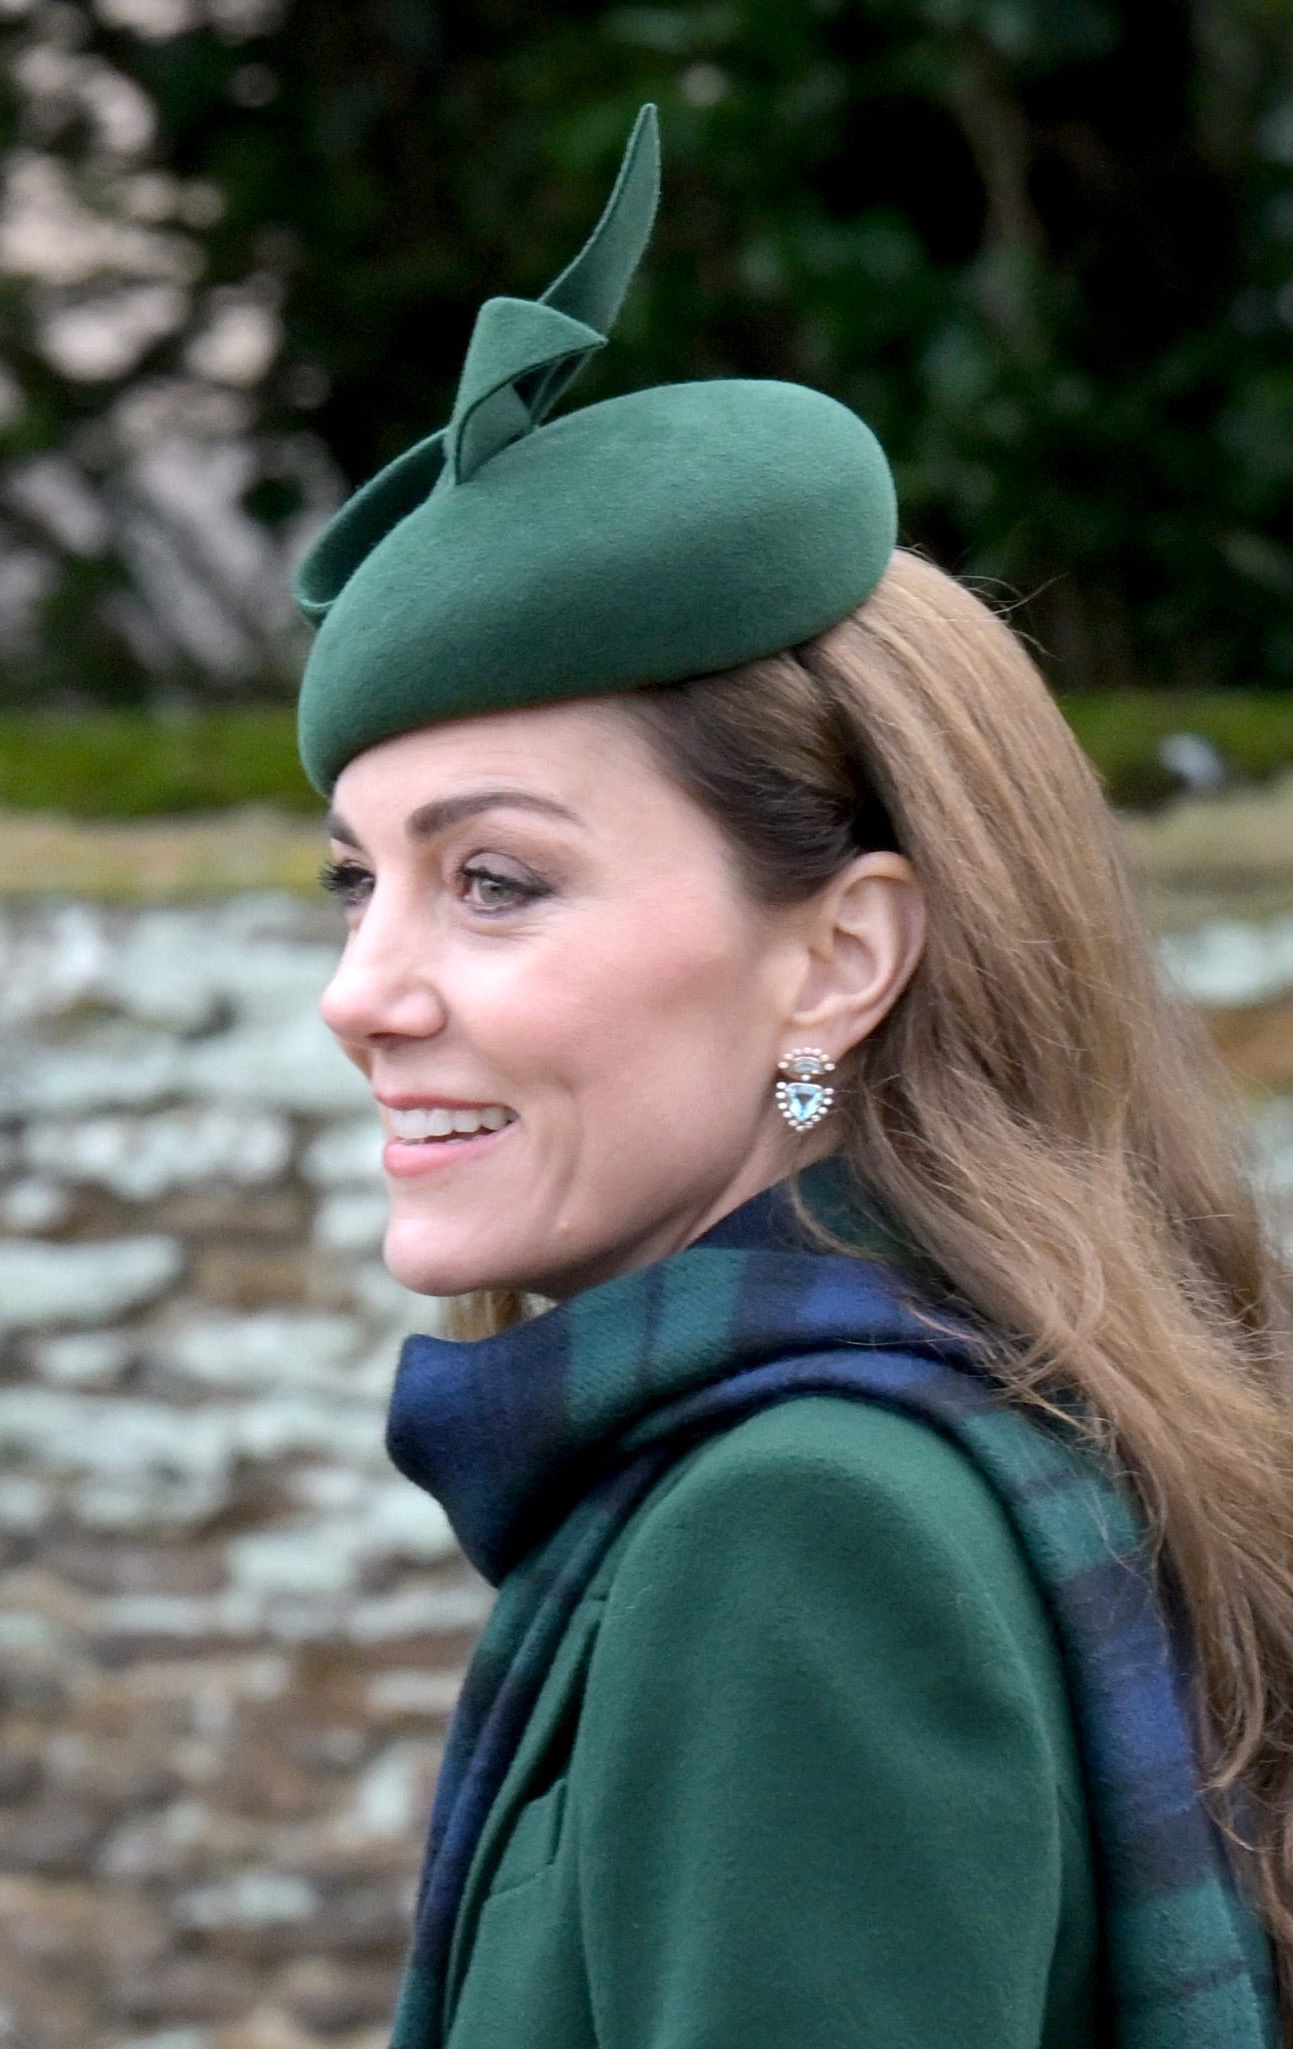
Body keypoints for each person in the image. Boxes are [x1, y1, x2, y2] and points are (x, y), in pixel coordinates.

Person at [292, 105, 1293, 2049]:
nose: (364, 990)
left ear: (837, 955)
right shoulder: (948, 1422)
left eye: (493, 878)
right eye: (360, 880)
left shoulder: (801, 1532)